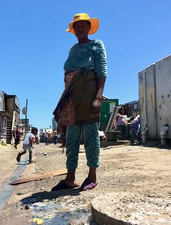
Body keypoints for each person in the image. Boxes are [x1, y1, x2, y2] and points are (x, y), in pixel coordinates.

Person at [52, 13, 107, 191]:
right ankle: (70, 178)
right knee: (72, 137)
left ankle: (92, 176)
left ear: (89, 27)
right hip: (71, 97)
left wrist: (98, 97)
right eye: (77, 26)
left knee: (91, 135)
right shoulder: (73, 49)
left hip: (89, 94)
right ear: (74, 30)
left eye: (84, 25)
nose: (80, 28)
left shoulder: (97, 44)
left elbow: (102, 72)